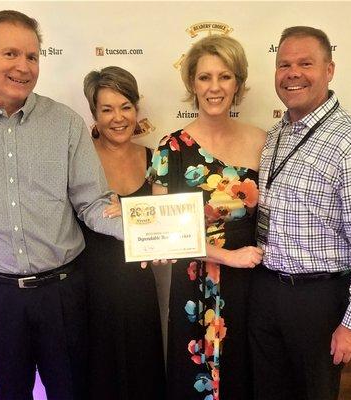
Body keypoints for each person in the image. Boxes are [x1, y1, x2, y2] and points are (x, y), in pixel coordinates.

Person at [0, 10, 122, 400]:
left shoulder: (65, 124)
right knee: (12, 393)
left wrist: (147, 233)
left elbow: (92, 204)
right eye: (10, 54)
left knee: (71, 391)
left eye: (32, 56)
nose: (23, 67)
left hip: (63, 293)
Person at [249, 26, 351, 400]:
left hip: (318, 299)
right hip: (266, 290)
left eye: (305, 63)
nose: (292, 73)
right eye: (284, 64)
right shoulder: (276, 134)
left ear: (329, 69)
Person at [147, 34, 265, 399]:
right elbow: (165, 231)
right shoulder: (171, 147)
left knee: (244, 373)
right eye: (204, 77)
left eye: (225, 76)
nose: (214, 87)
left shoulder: (264, 140)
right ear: (192, 84)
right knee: (193, 376)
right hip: (195, 281)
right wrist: (227, 256)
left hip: (251, 281)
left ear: (238, 83)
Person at [80, 66, 165, 399]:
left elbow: (165, 223)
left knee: (142, 376)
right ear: (94, 114)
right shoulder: (79, 159)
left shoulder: (153, 158)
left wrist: (133, 213)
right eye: (107, 109)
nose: (118, 117)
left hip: (138, 291)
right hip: (90, 289)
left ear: (137, 110)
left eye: (125, 106)